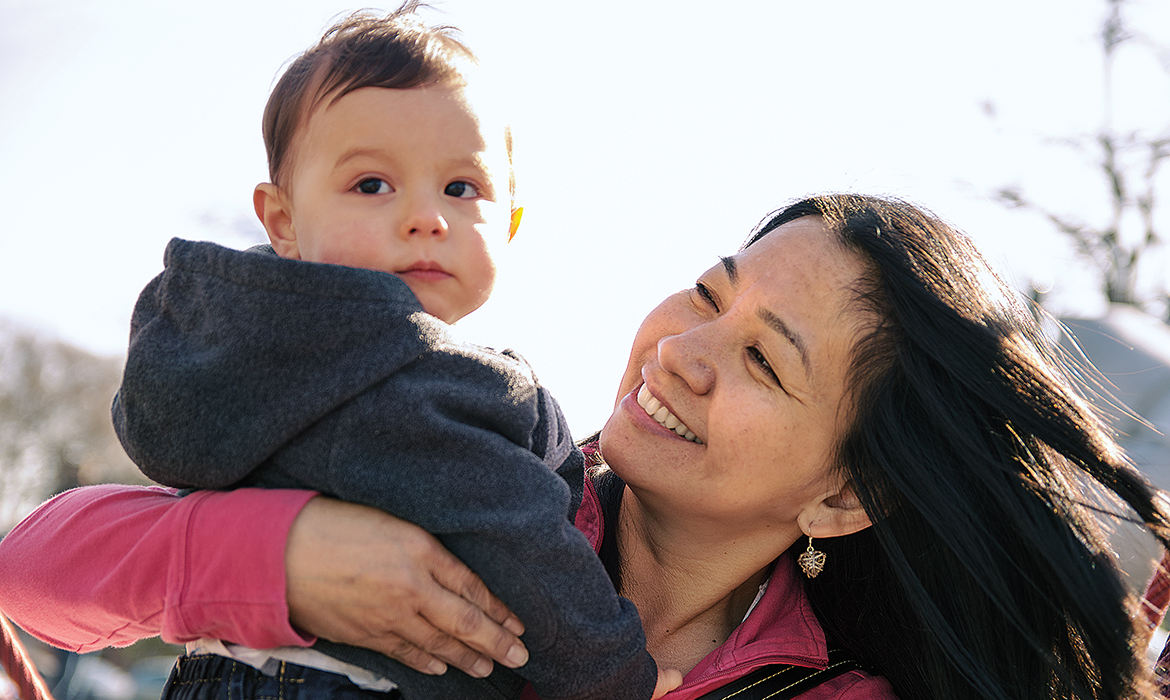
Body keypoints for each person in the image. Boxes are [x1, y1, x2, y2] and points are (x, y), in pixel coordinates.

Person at [3, 193, 1168, 700]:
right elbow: (37, 571)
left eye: (765, 361)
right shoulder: (477, 470)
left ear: (844, 498)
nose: (683, 349)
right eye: (707, 292)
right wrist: (292, 558)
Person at [72, 5, 680, 700]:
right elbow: (518, 535)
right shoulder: (428, 382)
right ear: (283, 220)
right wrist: (616, 674)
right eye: (372, 185)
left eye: (461, 188)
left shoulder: (226, 355)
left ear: (509, 222)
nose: (426, 216)